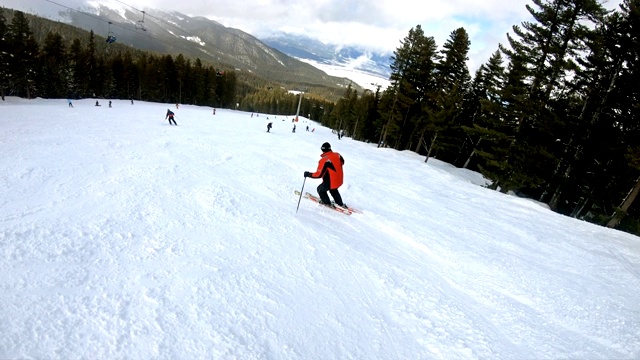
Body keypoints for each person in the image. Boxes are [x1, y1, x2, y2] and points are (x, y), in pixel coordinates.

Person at [304, 142, 347, 208]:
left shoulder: (324, 160)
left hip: (331, 182)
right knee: (333, 190)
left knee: (320, 189)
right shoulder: (338, 155)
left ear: (322, 150)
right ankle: (340, 203)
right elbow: (342, 162)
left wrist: (308, 174)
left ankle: (326, 203)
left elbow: (318, 175)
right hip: (339, 180)